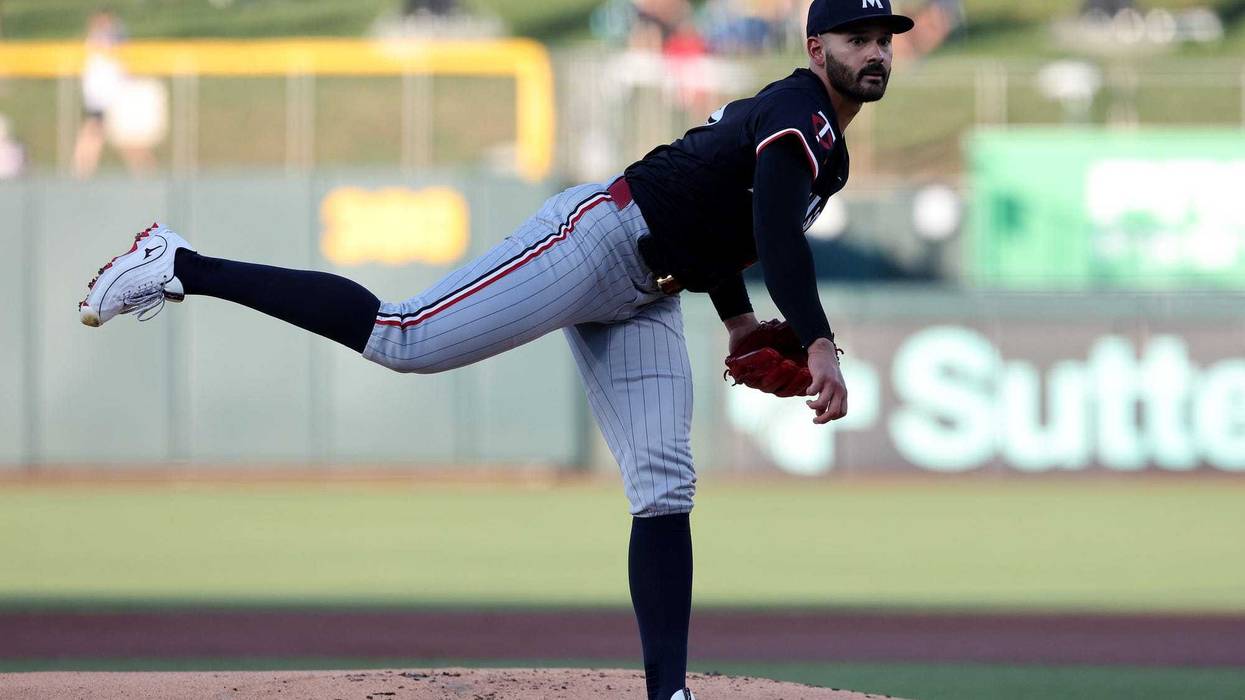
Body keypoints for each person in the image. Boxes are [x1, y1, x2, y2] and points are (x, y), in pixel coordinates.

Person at [77, 1, 913, 698]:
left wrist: (736, 322)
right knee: (402, 336)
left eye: (884, 40)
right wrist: (819, 343)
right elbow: (770, 228)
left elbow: (721, 224)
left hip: (649, 290)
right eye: (857, 38)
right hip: (599, 238)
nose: (874, 52)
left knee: (663, 483)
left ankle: (670, 693)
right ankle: (179, 263)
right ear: (816, 48)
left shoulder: (820, 144)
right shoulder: (800, 108)